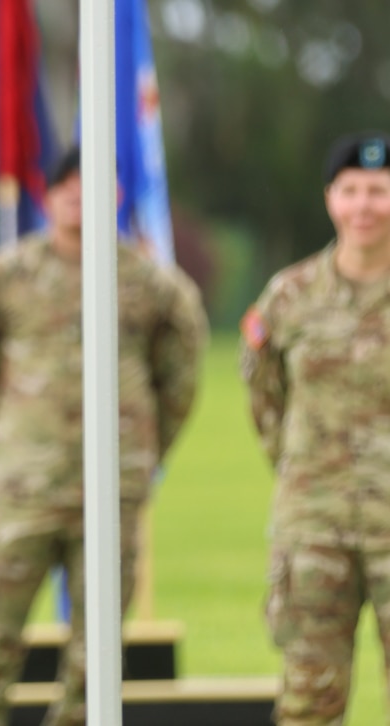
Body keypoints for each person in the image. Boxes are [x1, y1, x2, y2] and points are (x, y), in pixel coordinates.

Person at [0, 146, 208, 726]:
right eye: (66, 188)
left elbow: (180, 376)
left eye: (92, 186)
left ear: (114, 195)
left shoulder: (151, 284)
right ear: (49, 196)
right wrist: (13, 440)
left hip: (111, 492)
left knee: (98, 659)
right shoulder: (5, 278)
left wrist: (141, 448)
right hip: (26, 491)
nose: (77, 198)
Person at [240, 131, 390, 725]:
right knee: (309, 700)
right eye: (351, 190)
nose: (364, 205)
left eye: (378, 191)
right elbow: (263, 394)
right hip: (314, 527)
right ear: (330, 198)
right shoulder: (290, 295)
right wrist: (302, 463)